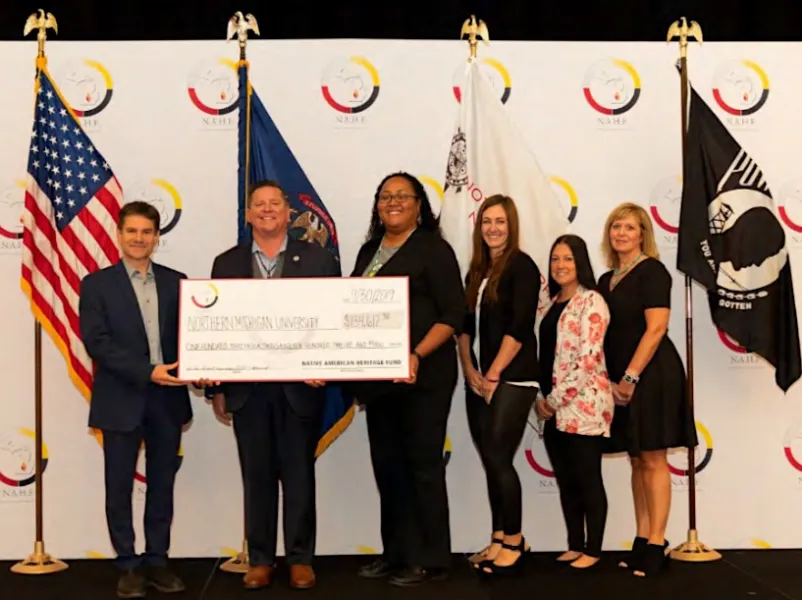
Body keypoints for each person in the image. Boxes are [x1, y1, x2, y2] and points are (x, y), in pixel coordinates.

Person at [205, 179, 340, 590]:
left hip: (299, 389)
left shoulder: (319, 260)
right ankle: (261, 558)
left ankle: (300, 558)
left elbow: (332, 321)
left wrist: (326, 365)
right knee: (257, 476)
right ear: (248, 215)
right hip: (248, 391)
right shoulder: (225, 264)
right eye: (258, 205)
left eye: (274, 204)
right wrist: (217, 385)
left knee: (299, 476)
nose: (267, 210)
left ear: (287, 213)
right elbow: (213, 329)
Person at [349, 172, 464, 587]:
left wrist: (416, 354)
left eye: (402, 195)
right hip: (379, 381)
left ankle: (431, 559)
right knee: (389, 468)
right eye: (385, 196)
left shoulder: (434, 250)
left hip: (424, 378)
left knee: (423, 466)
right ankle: (396, 553)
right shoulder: (368, 252)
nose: (393, 202)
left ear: (419, 205)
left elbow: (454, 315)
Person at [79, 200, 191, 599]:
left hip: (168, 401)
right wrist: (148, 372)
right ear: (119, 234)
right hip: (119, 399)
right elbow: (98, 343)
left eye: (147, 232)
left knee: (162, 485)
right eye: (132, 231)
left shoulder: (179, 282)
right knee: (119, 487)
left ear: (157, 237)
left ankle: (157, 560)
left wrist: (203, 367)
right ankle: (127, 563)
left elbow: (192, 338)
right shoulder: (96, 284)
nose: (139, 238)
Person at [597, 202, 697, 578]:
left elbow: (656, 329)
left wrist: (631, 377)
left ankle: (658, 542)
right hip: (621, 379)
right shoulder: (606, 280)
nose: (621, 233)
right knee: (637, 459)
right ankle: (641, 539)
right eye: (615, 227)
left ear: (643, 234)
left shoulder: (653, 272)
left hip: (652, 377)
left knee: (654, 458)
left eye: (629, 227)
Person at [457, 195, 539, 577]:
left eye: (500, 221)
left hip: (513, 377)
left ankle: (516, 540)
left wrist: (492, 375)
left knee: (500, 459)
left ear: (512, 225)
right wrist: (470, 370)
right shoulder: (475, 271)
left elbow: (519, 328)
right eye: (487, 221)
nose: (493, 228)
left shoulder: (522, 267)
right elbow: (462, 327)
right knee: (492, 461)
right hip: (478, 379)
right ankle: (498, 536)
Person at [534, 234, 613, 570]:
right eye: (555, 259)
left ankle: (593, 550)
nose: (560, 266)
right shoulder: (549, 303)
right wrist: (544, 401)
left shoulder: (591, 301)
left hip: (584, 405)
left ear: (580, 262)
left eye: (567, 259)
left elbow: (588, 359)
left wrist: (553, 400)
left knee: (587, 478)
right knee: (566, 479)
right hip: (553, 409)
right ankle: (575, 544)